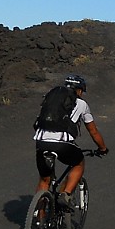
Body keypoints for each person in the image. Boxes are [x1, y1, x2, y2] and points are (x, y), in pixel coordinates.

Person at [34, 74, 108, 207]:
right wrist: (103, 148)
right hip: (63, 144)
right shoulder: (82, 104)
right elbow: (93, 131)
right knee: (78, 164)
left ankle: (39, 220)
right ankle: (65, 194)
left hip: (41, 141)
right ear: (79, 90)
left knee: (44, 180)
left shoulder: (51, 100)